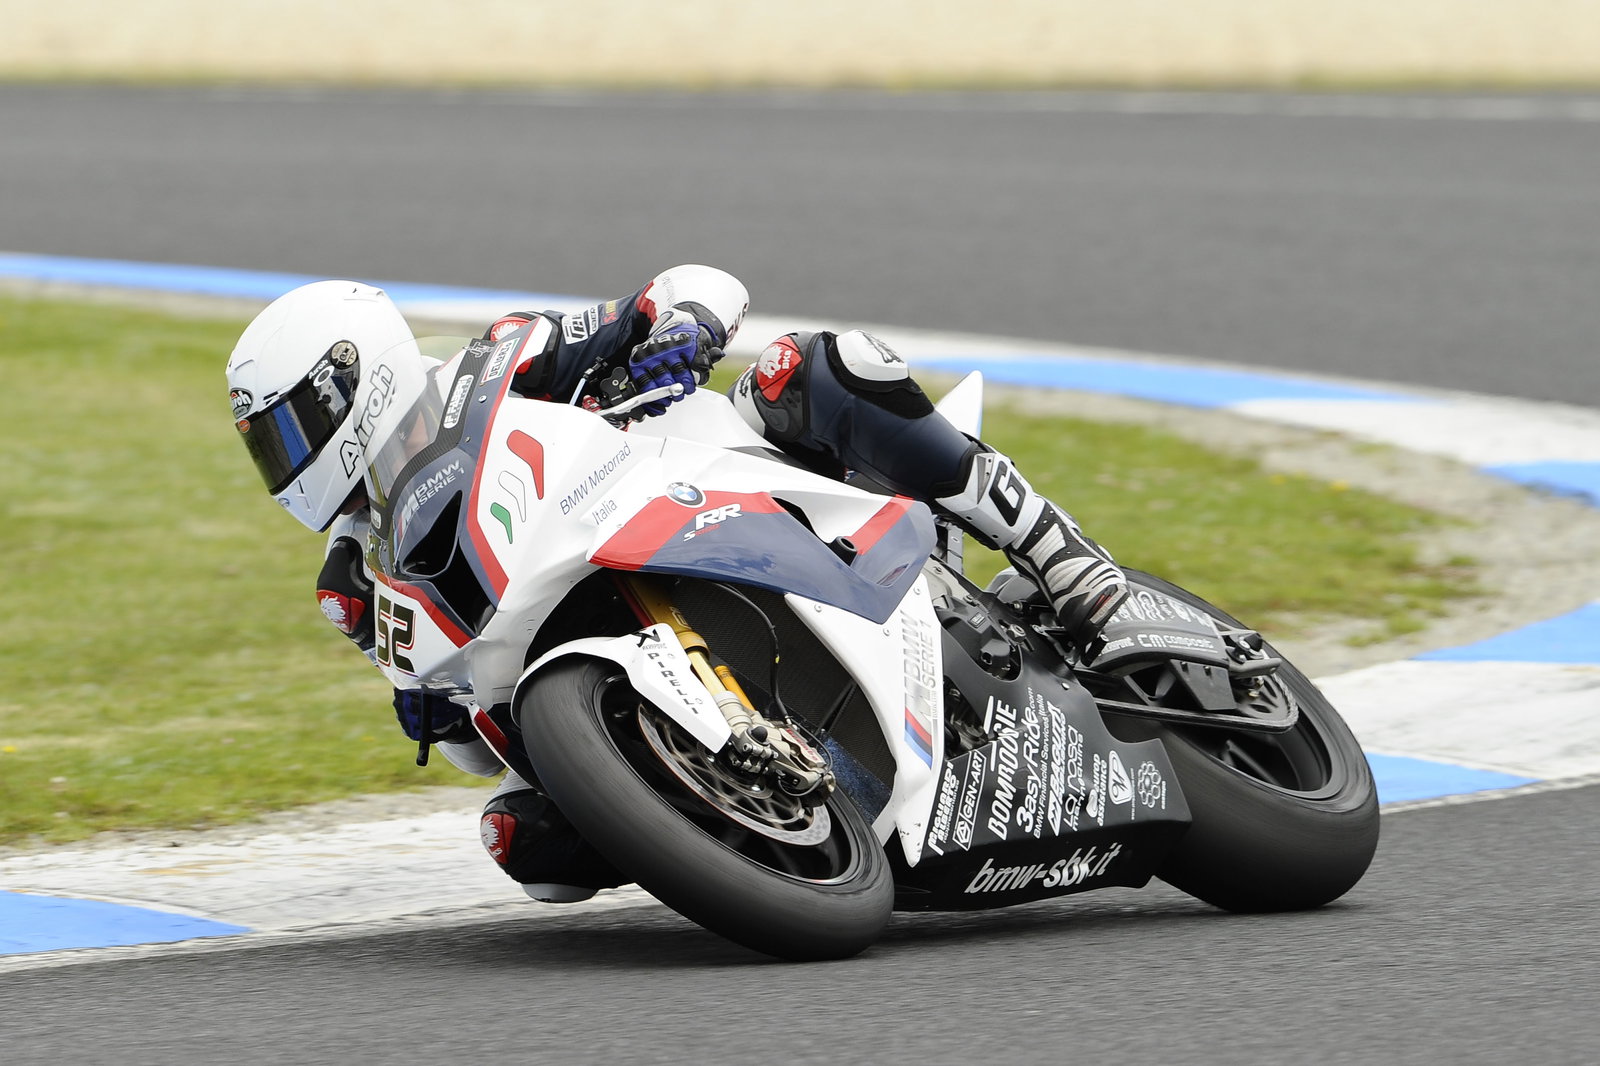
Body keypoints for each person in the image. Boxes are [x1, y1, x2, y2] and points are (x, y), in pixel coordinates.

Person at [224, 266, 1128, 903]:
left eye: (295, 428)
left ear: (360, 376)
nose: (289, 462)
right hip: (569, 625)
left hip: (704, 484)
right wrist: (433, 710)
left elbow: (701, 285)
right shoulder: (355, 575)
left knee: (816, 365)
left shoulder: (494, 361)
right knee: (531, 852)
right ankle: (754, 833)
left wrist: (681, 329)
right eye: (272, 447)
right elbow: (469, 751)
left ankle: (1055, 549)